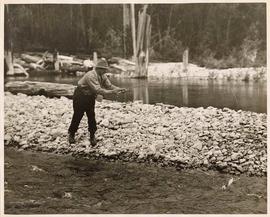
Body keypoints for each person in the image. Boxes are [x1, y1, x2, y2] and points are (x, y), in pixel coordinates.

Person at [68, 58, 126, 146]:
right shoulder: (90, 75)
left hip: (90, 95)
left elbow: (109, 85)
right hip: (80, 95)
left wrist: (118, 89)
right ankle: (71, 133)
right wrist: (112, 92)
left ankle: (92, 135)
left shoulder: (103, 75)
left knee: (91, 115)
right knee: (78, 115)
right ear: (99, 69)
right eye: (104, 69)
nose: (106, 71)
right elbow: (98, 90)